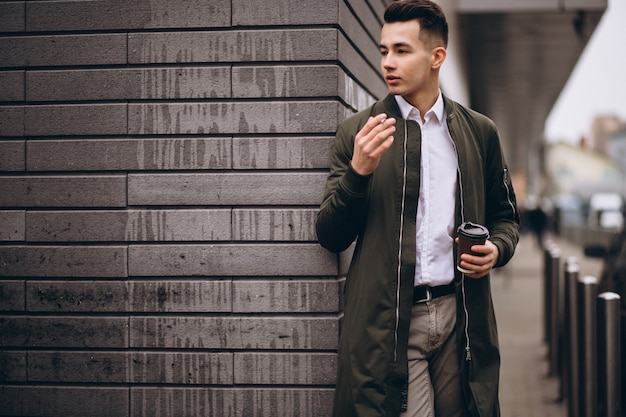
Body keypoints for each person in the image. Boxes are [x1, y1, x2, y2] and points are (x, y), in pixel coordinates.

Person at [315, 1, 520, 416]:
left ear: (436, 57)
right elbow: (331, 234)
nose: (388, 62)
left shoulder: (480, 132)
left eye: (402, 50)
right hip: (391, 323)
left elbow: (506, 217)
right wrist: (358, 173)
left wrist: (497, 249)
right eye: (383, 50)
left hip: (459, 318)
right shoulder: (359, 133)